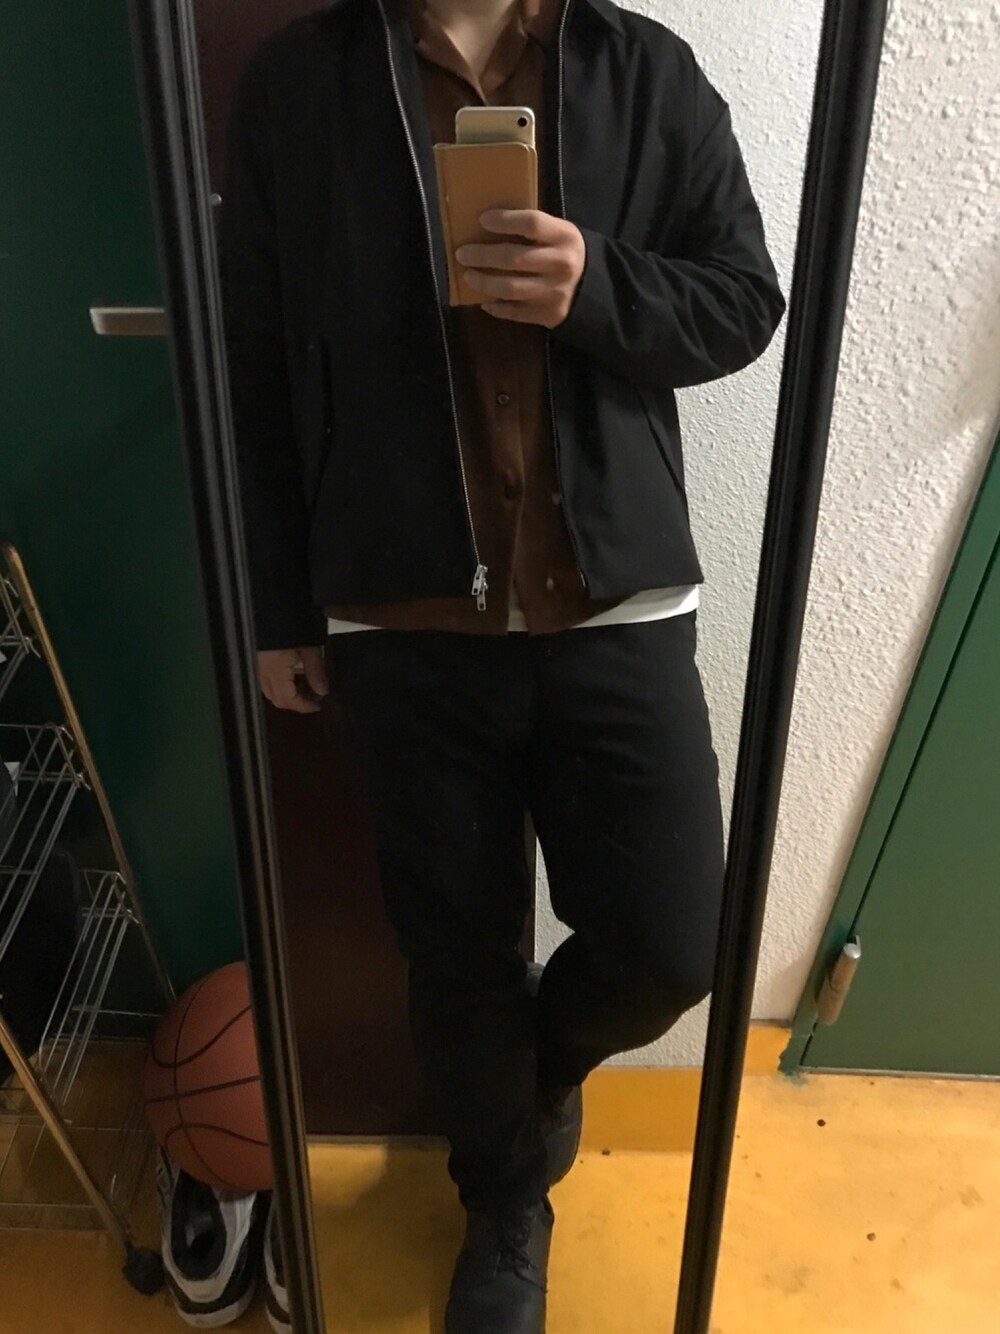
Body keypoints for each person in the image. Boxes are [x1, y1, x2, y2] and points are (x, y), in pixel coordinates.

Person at [220, 0, 785, 1327]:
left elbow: (744, 302)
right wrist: (278, 605)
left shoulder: (645, 70)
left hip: (614, 600)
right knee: (455, 955)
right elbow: (254, 358)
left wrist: (598, 287)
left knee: (673, 939)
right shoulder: (298, 86)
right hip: (401, 613)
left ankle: (536, 1077)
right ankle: (506, 1207)